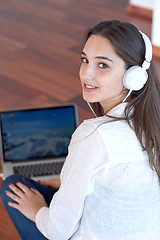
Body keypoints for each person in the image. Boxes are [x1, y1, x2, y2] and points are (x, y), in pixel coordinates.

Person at [1, 20, 160, 240]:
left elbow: (57, 232)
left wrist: (37, 210)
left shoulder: (95, 135)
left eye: (102, 65)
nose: (86, 74)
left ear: (134, 76)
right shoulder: (154, 123)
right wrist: (67, 183)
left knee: (11, 186)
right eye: (85, 60)